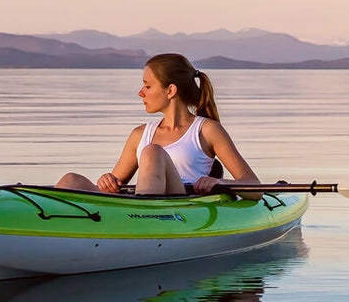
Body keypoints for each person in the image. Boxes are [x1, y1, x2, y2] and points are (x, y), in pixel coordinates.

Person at [56, 53, 261, 196]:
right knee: (71, 180)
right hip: (138, 206)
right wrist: (107, 181)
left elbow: (255, 188)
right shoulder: (139, 134)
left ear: (170, 91)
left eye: (147, 86)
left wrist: (218, 182)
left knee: (153, 152)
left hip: (180, 209)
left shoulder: (207, 130)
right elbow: (113, 186)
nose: (140, 93)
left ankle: (145, 224)